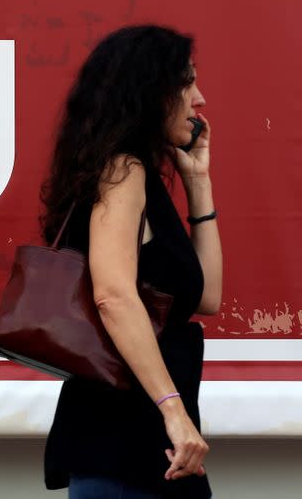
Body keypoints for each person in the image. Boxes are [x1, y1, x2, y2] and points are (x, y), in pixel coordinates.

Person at [39, 25, 223, 498]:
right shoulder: (123, 170)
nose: (199, 99)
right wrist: (174, 412)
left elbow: (207, 298)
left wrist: (199, 183)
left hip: (154, 446)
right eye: (187, 82)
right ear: (150, 89)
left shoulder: (137, 176)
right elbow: (114, 295)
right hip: (126, 443)